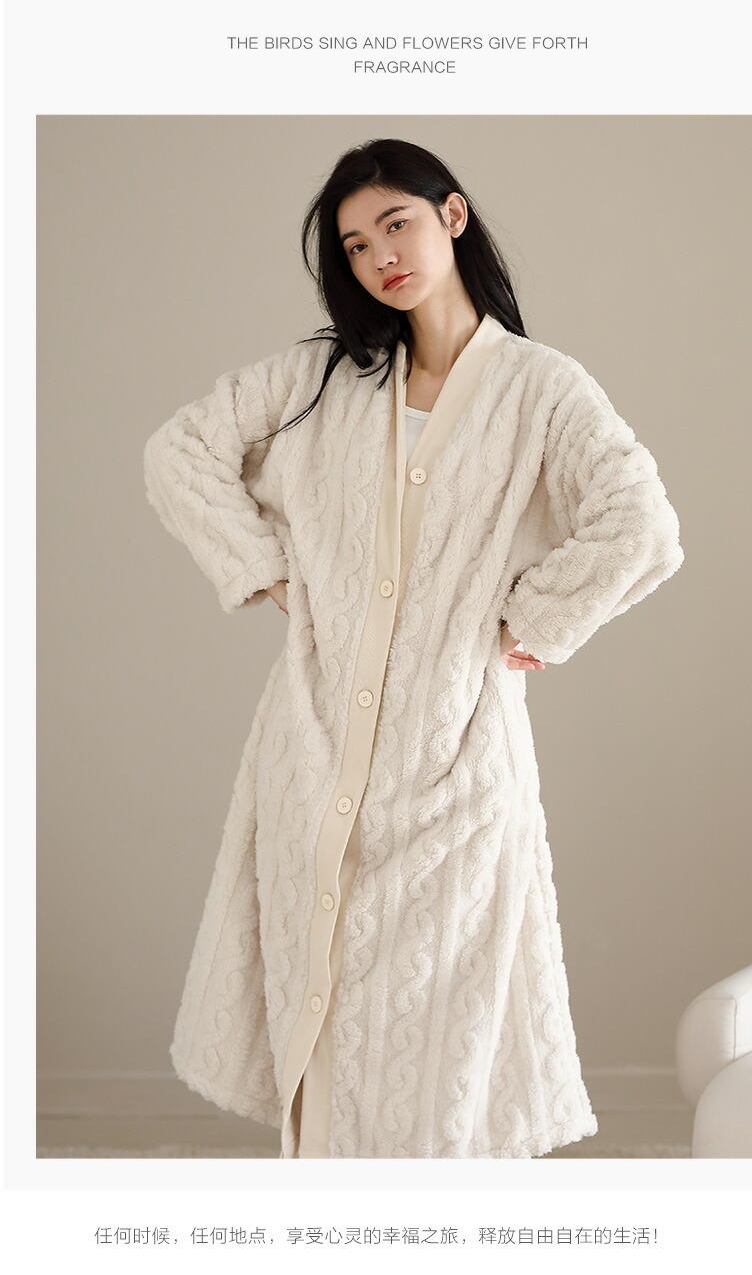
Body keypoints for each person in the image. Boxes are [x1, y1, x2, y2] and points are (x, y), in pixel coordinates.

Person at [143, 137, 684, 1159]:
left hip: (456, 769)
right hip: (313, 758)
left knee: (435, 1059)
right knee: (319, 1027)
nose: (378, 257)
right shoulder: (323, 377)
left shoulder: (540, 389)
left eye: (395, 224)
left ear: (452, 216)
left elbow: (640, 526)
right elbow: (181, 450)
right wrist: (269, 571)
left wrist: (530, 618)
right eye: (355, 245)